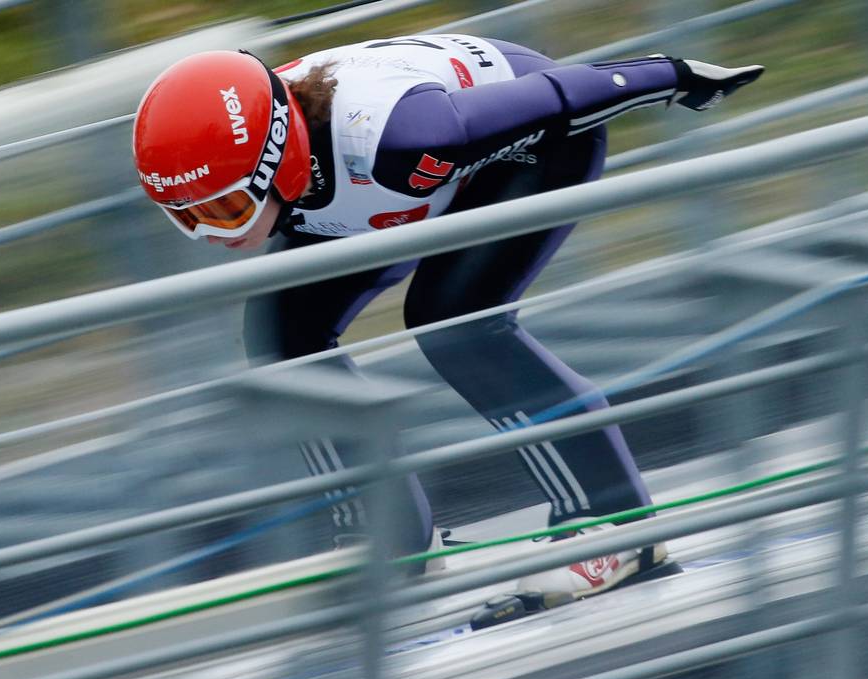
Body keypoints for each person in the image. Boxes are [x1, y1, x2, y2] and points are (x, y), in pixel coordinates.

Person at [131, 35, 762, 606]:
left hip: (529, 145)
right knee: (280, 342)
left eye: (227, 206)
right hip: (377, 185)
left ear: (280, 160)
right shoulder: (286, 157)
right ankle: (391, 542)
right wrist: (238, 203)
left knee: (455, 322)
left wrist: (675, 74)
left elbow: (559, 95)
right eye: (186, 216)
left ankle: (619, 525)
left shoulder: (407, 136)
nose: (211, 232)